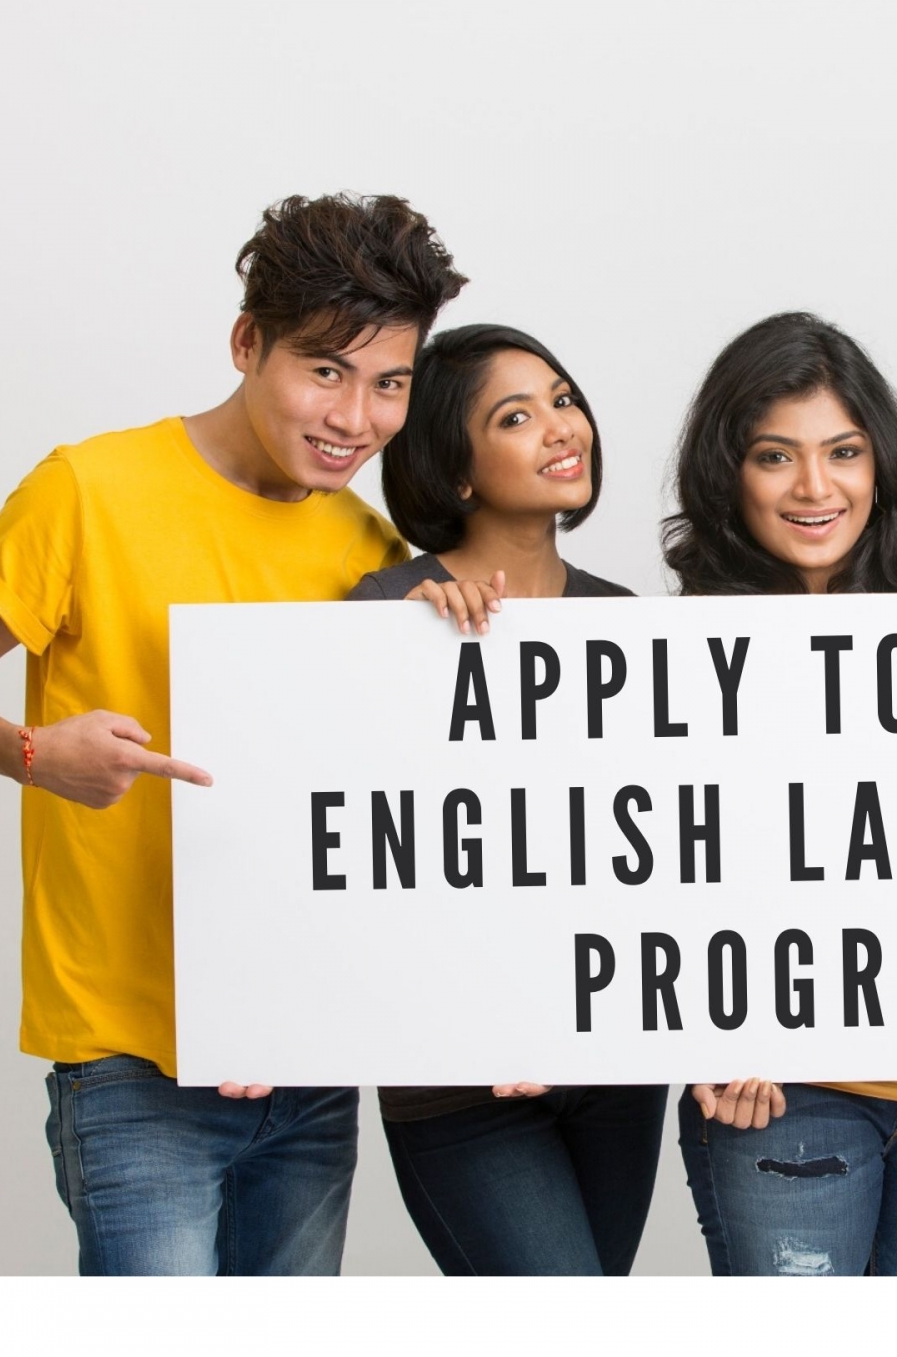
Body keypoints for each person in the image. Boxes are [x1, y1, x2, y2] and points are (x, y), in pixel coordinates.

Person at [0, 194, 467, 1275]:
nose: (357, 418)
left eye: (390, 382)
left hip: (302, 1058)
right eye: (325, 371)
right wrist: (33, 752)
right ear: (247, 344)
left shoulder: (374, 552)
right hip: (131, 1059)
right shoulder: (87, 492)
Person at [663, 310, 897, 1277]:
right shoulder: (674, 658)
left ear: (880, 463)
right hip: (782, 1089)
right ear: (728, 472)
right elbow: (655, 870)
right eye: (776, 456)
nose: (815, 488)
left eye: (844, 452)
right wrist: (704, 1031)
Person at [346, 323, 668, 1274]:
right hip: (461, 1085)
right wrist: (404, 659)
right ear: (454, 470)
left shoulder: (620, 622)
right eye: (517, 417)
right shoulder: (384, 611)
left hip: (610, 1065)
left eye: (563, 401)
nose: (561, 428)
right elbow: (371, 856)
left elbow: (649, 842)